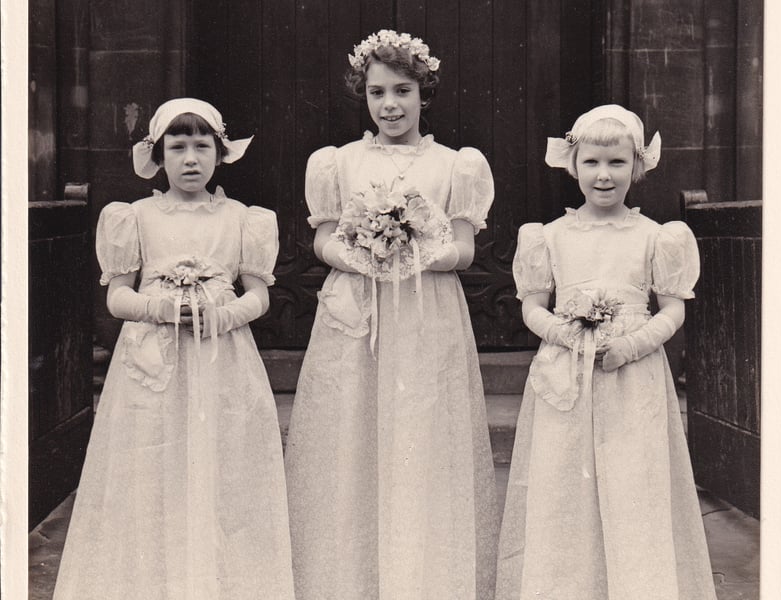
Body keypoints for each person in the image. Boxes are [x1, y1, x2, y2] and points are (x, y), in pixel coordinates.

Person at [284, 30, 499, 600]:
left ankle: (421, 576)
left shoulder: (455, 166)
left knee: (422, 434)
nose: (391, 105)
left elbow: (464, 251)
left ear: (424, 93)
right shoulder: (338, 163)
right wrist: (358, 250)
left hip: (427, 312)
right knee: (353, 432)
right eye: (378, 92)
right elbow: (323, 241)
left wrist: (416, 247)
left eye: (403, 90)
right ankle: (350, 578)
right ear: (364, 94)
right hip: (356, 309)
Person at [53, 98, 295, 599]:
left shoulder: (243, 219)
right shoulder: (135, 216)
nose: (190, 159)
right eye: (177, 147)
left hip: (221, 360)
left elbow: (259, 295)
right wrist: (159, 308)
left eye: (201, 147)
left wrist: (225, 314)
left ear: (220, 153)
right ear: (158, 156)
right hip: (150, 362)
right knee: (151, 467)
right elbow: (117, 297)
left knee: (221, 468)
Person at [495, 104, 717, 599]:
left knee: (633, 484)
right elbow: (532, 307)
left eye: (617, 163)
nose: (603, 175)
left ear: (637, 167)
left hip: (631, 376)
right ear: (572, 163)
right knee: (563, 486)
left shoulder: (657, 237)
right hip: (566, 375)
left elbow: (673, 310)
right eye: (592, 162)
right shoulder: (547, 237)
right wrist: (566, 335)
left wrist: (631, 344)